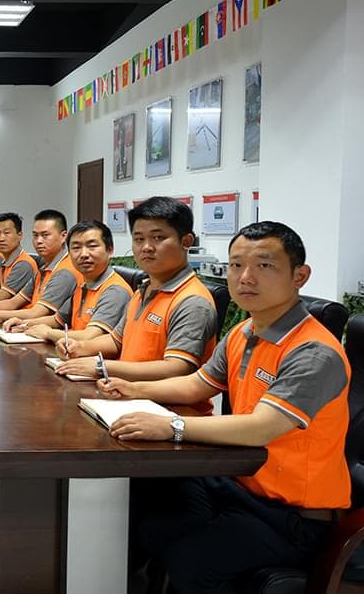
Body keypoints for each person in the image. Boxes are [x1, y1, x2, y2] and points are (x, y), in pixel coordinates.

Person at [98, 221, 351, 592]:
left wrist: (171, 427)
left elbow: (261, 427)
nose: (245, 277)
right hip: (238, 484)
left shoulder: (313, 352)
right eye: (236, 265)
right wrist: (133, 389)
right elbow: (197, 384)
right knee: (150, 515)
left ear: (300, 275)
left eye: (264, 265)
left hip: (291, 515)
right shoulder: (244, 332)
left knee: (190, 562)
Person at [54, 197, 218, 402]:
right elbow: (116, 340)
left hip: (167, 409)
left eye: (158, 238)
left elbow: (177, 368)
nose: (146, 247)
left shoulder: (192, 301)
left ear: (186, 241)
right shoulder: (143, 290)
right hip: (126, 396)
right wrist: (81, 348)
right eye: (139, 239)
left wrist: (101, 366)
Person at [6, 220, 131, 348]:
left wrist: (48, 333)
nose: (84, 254)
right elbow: (57, 319)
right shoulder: (83, 284)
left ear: (110, 250)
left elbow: (90, 336)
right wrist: (24, 324)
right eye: (76, 248)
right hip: (69, 352)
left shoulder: (116, 291)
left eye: (92, 246)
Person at [0, 209, 84, 322]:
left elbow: (37, 313)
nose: (39, 241)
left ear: (64, 236)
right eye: (35, 235)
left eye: (45, 235)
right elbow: (13, 302)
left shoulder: (65, 272)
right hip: (25, 325)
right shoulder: (44, 267)